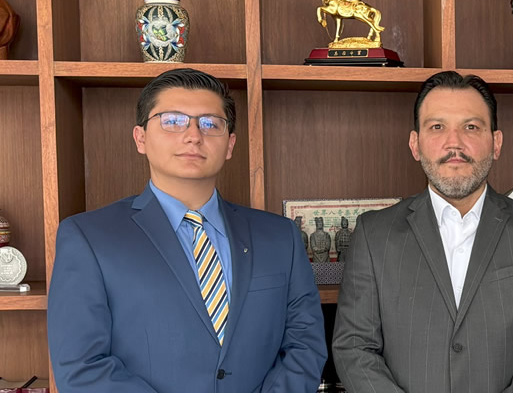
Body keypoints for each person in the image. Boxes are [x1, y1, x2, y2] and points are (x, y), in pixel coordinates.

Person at [47, 68, 327, 392]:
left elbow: (305, 346)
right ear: (140, 138)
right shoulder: (88, 238)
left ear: (230, 144)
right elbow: (82, 367)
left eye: (210, 124)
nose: (193, 135)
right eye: (172, 121)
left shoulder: (280, 237)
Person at [332, 70, 513, 393]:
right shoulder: (373, 234)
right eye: (437, 127)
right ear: (415, 144)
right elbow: (354, 348)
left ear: (496, 143)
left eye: (471, 127)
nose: (454, 143)